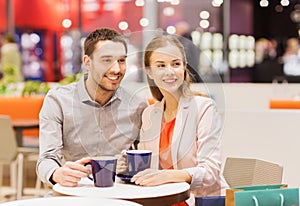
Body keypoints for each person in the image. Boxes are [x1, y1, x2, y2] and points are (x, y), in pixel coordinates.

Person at [36, 28, 148, 187]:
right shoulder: (58, 100)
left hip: (120, 193)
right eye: (106, 60)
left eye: (121, 60)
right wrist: (56, 173)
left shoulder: (138, 105)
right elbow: (47, 159)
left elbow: (145, 158)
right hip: (73, 192)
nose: (116, 69)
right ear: (87, 62)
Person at [129, 35, 228, 205]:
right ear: (149, 71)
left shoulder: (204, 108)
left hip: (200, 201)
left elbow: (210, 172)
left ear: (184, 67)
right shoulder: (149, 114)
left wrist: (166, 176)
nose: (170, 71)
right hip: (162, 200)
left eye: (176, 64)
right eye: (161, 65)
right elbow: (146, 167)